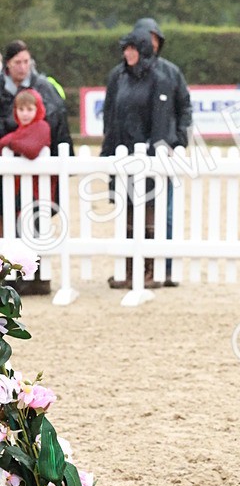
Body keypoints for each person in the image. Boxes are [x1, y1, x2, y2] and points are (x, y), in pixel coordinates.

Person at [100, 29, 183, 289]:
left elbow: (161, 122)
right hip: (122, 154)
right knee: (126, 212)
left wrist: (153, 156)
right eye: (125, 48)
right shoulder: (118, 77)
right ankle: (128, 269)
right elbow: (110, 116)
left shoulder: (160, 79)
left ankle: (149, 269)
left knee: (148, 212)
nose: (127, 53)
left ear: (144, 50)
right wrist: (108, 150)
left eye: (132, 48)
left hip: (147, 157)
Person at [130, 17, 193, 287]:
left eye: (155, 39)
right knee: (133, 211)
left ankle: (165, 266)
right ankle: (137, 267)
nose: (151, 44)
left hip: (163, 154)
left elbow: (184, 108)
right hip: (133, 153)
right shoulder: (125, 74)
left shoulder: (171, 72)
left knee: (165, 211)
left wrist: (178, 142)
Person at [0, 90, 54, 295]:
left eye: (29, 109)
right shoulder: (22, 130)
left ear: (37, 110)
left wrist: (10, 141)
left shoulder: (41, 127)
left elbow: (31, 150)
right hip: (20, 192)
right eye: (21, 109)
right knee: (18, 233)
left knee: (32, 233)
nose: (25, 113)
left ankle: (37, 279)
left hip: (35, 193)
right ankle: (20, 278)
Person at [0, 40, 73, 155]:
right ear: (8, 63)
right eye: (17, 62)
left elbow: (59, 125)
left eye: (26, 62)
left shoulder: (45, 88)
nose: (22, 67)